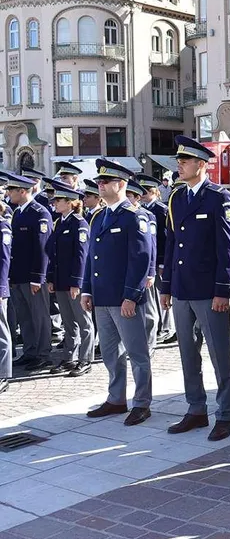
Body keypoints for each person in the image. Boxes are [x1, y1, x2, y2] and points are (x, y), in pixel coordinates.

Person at [161, 136, 230, 442]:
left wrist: (223, 289)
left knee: (220, 354)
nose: (179, 166)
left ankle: (225, 414)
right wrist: (167, 286)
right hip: (182, 288)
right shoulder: (176, 199)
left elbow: (228, 248)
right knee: (187, 353)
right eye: (178, 162)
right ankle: (196, 409)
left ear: (201, 164)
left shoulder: (219, 197)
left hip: (209, 290)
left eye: (185, 161)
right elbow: (171, 246)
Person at [83, 159, 153, 426]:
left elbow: (140, 259)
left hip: (125, 299)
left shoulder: (135, 216)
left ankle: (142, 403)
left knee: (137, 353)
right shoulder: (99, 217)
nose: (99, 185)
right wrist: (88, 290)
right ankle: (116, 399)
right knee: (111, 353)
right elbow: (92, 258)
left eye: (104, 182)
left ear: (120, 184)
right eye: (99, 182)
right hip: (102, 297)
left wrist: (131, 296)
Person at [4, 172, 53, 372]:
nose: (8, 193)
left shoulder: (40, 213)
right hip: (18, 275)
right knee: (25, 316)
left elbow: (43, 249)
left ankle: (43, 354)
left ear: (22, 191)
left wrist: (38, 277)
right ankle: (30, 351)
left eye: (11, 190)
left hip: (33, 277)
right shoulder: (18, 212)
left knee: (39, 316)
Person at [46, 182, 93, 377]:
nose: (54, 203)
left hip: (73, 282)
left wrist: (77, 283)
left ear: (70, 202)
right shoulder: (60, 223)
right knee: (68, 321)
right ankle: (69, 357)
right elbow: (52, 254)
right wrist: (50, 278)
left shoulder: (79, 224)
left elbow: (81, 256)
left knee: (83, 322)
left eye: (58, 200)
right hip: (60, 280)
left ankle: (85, 359)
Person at [137, 173, 175, 344]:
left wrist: (161, 262)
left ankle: (166, 327)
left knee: (162, 294)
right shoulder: (145, 210)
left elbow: (164, 239)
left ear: (153, 192)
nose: (143, 194)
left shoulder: (161, 210)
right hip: (150, 261)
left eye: (145, 191)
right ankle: (160, 325)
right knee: (153, 296)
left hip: (159, 260)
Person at [125, 181, 158, 355]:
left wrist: (151, 271)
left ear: (137, 198)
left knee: (149, 310)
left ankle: (150, 343)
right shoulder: (126, 214)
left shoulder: (146, 215)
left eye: (130, 196)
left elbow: (150, 247)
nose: (127, 199)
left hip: (146, 271)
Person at [0, 199, 12, 395]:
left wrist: (1, 289)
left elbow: (4, 260)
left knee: (1, 331)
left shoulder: (3, 228)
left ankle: (3, 374)